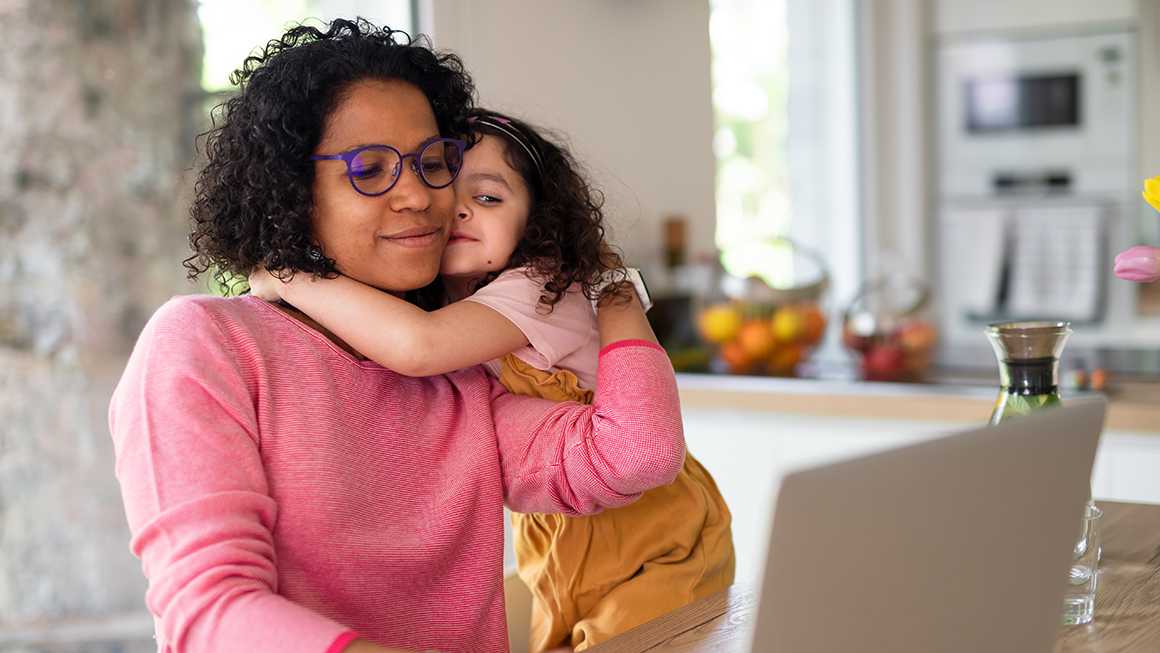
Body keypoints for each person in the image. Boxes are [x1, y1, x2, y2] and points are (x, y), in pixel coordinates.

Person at [108, 19, 686, 653]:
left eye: (432, 163)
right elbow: (211, 615)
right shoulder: (206, 342)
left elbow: (636, 453)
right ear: (293, 193)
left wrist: (611, 282)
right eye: (371, 168)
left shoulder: (458, 371)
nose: (419, 195)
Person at [248, 109, 736, 651]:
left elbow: (418, 347)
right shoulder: (462, 303)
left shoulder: (541, 286)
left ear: (536, 223)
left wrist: (288, 275)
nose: (455, 208)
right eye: (444, 188)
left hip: (657, 540)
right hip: (562, 542)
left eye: (487, 198)